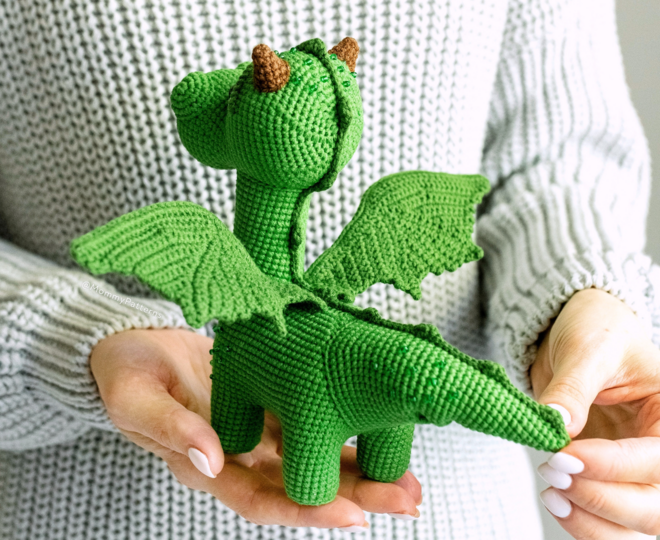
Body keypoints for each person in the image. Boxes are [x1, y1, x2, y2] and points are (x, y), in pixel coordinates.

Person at [0, 0, 658, 538]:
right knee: (310, 408)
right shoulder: (213, 255)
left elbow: (555, 153)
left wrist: (578, 299)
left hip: (467, 511)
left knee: (359, 404)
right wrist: (65, 336)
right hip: (83, 511)